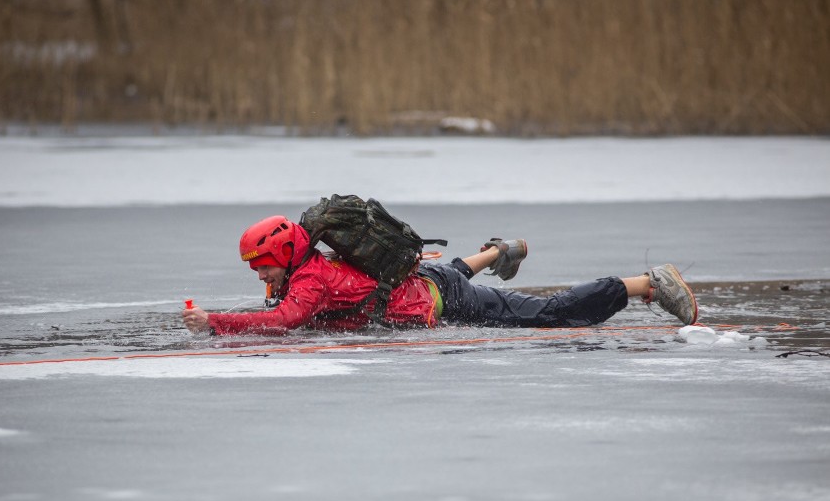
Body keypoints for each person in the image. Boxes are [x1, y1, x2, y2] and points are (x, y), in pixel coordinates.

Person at [182, 215, 698, 335]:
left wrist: (216, 323)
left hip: (441, 301)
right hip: (430, 282)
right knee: (450, 275)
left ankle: (648, 282)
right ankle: (499, 252)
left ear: (287, 252)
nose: (258, 275)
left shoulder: (310, 281)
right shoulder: (308, 268)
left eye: (261, 264)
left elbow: (286, 321)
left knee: (549, 314)